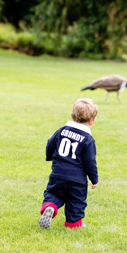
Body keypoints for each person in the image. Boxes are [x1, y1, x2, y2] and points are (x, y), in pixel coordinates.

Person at [39, 98, 99, 229]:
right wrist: (94, 179)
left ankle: (50, 207)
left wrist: (50, 157)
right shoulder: (88, 139)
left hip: (58, 174)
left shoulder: (62, 131)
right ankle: (73, 224)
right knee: (76, 201)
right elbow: (90, 161)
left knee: (54, 193)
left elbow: (50, 144)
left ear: (72, 115)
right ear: (92, 121)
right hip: (77, 179)